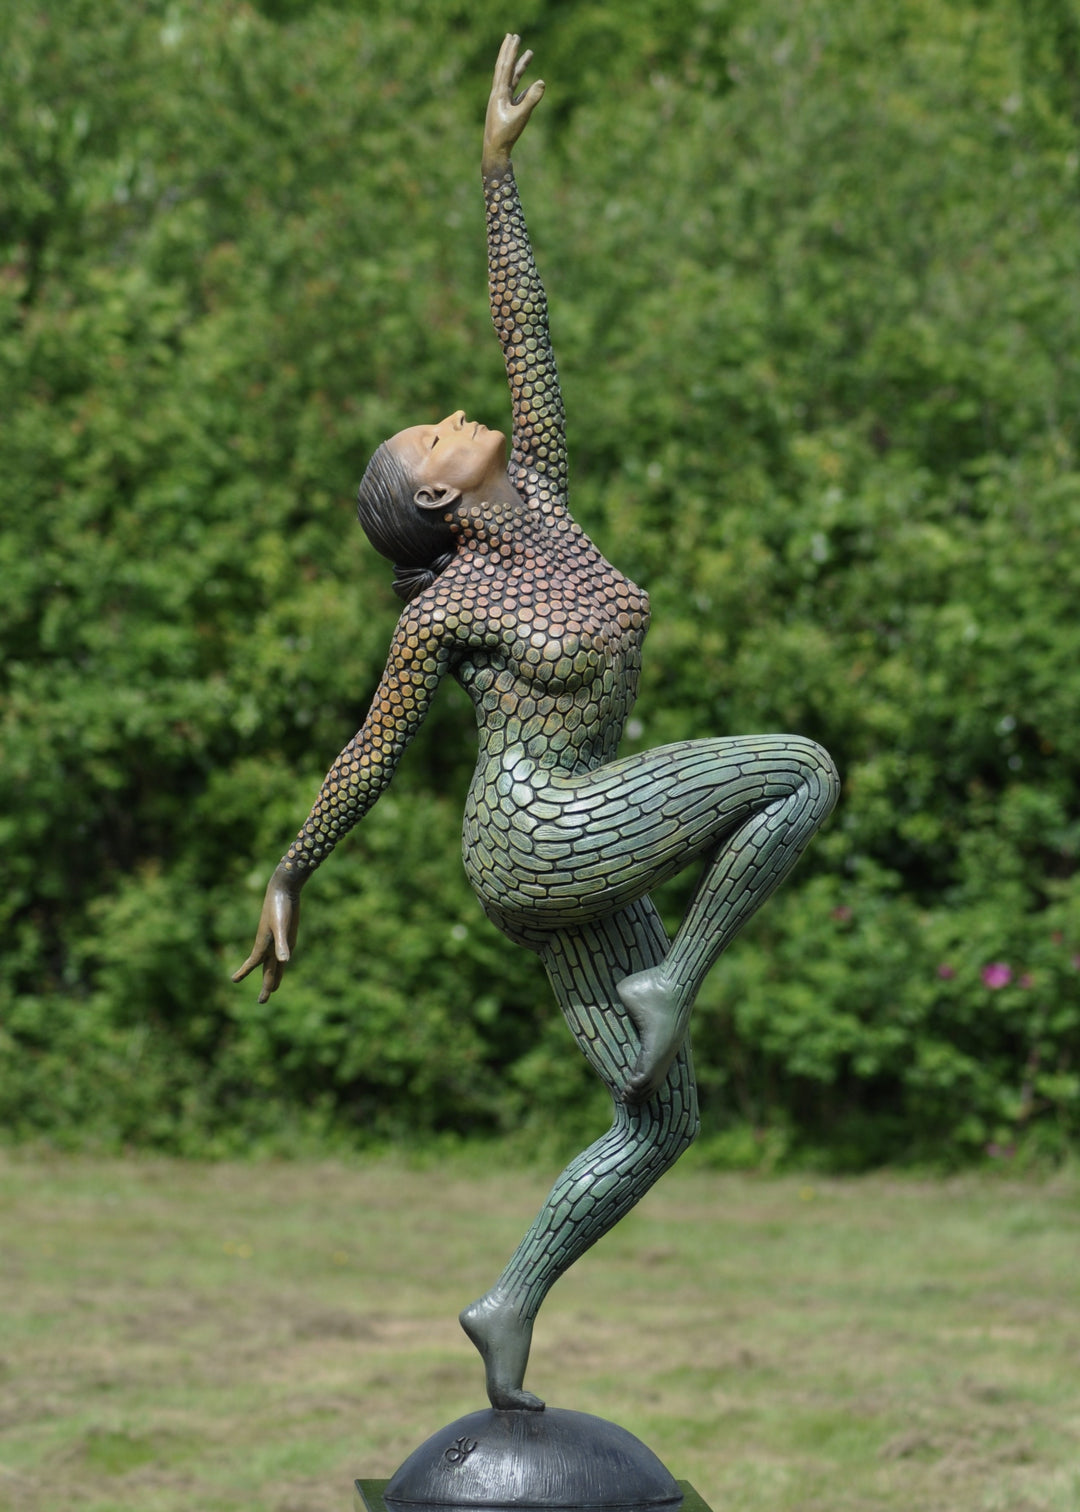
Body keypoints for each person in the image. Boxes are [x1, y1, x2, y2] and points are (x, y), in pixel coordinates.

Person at [235, 35, 839, 1412]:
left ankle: (508, 1302)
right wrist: (287, 872)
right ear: (433, 500)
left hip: (567, 842)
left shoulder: (545, 492)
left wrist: (495, 169)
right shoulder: (442, 608)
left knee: (660, 1116)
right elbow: (372, 751)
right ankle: (673, 979)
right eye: (428, 436)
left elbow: (524, 324)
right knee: (799, 772)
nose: (454, 417)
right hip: (533, 834)